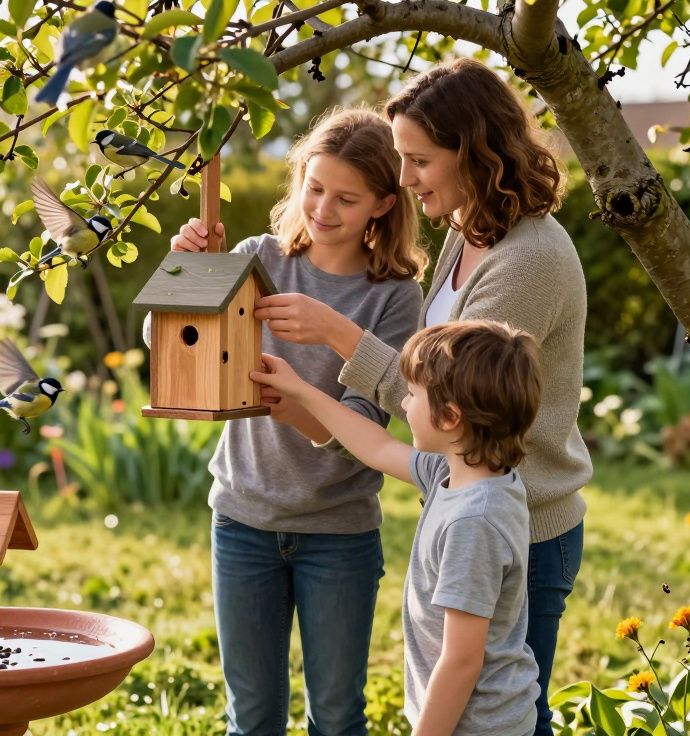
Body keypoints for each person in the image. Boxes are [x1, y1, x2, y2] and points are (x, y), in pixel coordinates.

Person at [252, 59, 590, 733]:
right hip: (460, 495)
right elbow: (392, 432)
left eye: (419, 160)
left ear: (476, 152)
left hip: (526, 526)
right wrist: (302, 394)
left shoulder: (528, 261)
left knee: (507, 710)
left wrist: (340, 336)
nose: (404, 179)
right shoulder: (472, 228)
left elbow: (450, 385)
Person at [160, 107, 426, 735]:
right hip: (244, 521)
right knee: (251, 717)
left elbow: (368, 422)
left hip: (338, 532)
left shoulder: (393, 295)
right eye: (314, 186)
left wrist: (298, 404)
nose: (323, 208)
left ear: (383, 205)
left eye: (346, 197)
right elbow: (167, 339)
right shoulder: (259, 259)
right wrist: (186, 271)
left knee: (336, 716)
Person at [251, 319, 543, 736]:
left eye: (411, 395)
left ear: (450, 417)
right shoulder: (458, 473)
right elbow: (379, 447)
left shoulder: (474, 521)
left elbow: (461, 661)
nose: (403, 406)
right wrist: (301, 391)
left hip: (475, 726)